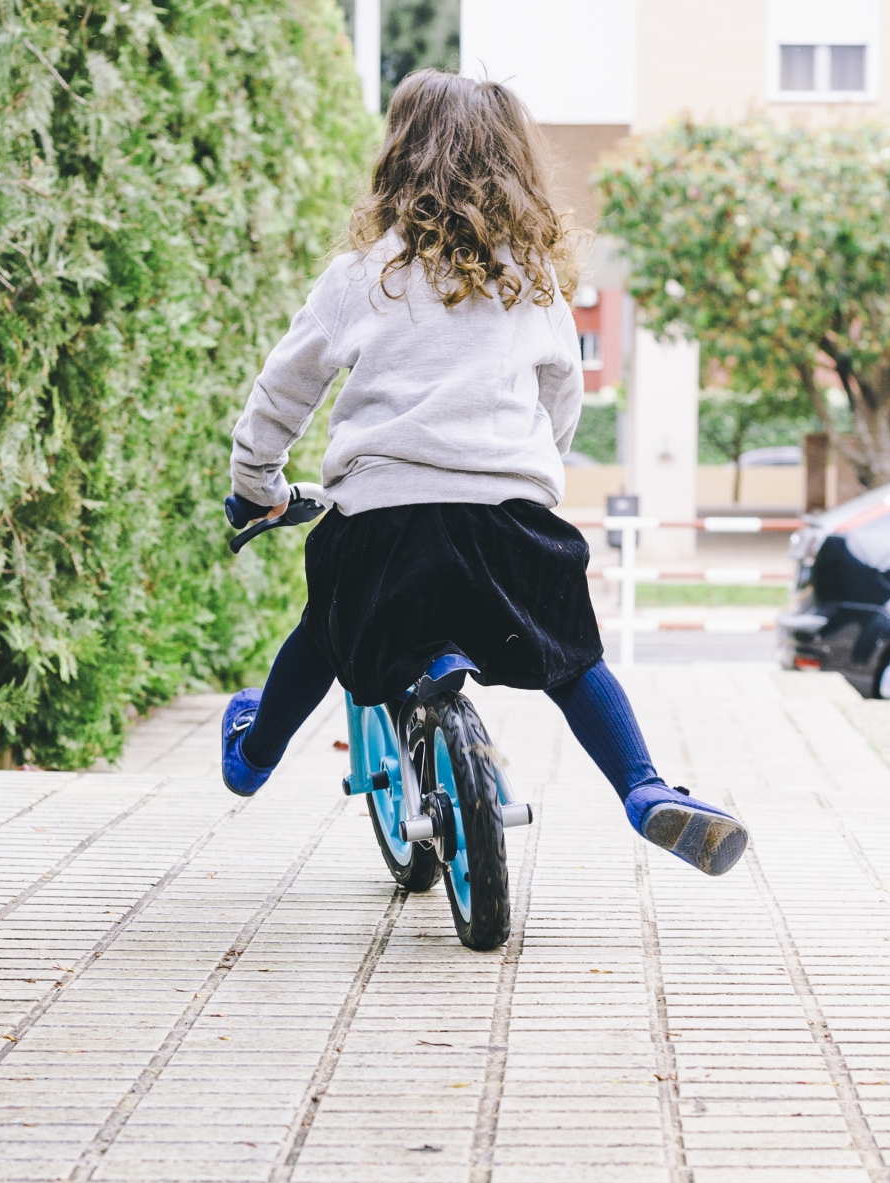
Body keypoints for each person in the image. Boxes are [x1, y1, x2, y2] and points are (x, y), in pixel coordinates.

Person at [221, 69, 747, 879]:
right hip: (508, 521)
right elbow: (559, 402)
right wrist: (533, 480)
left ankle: (253, 756)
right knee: (574, 661)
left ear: (398, 156)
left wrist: (257, 485)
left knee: (327, 630)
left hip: (382, 525)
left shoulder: (360, 276)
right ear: (513, 167)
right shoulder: (531, 284)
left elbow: (281, 395)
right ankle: (643, 790)